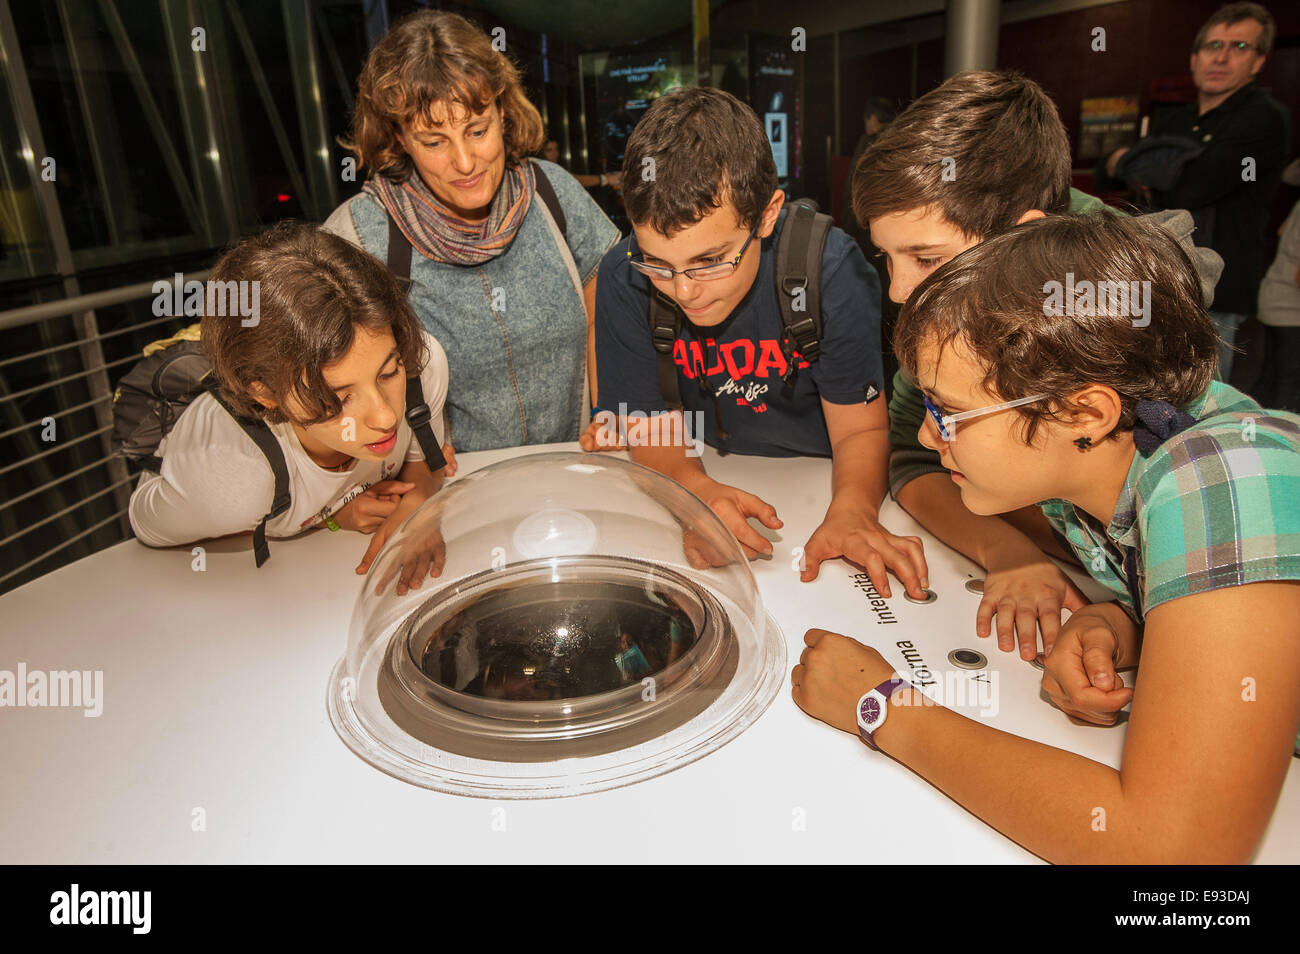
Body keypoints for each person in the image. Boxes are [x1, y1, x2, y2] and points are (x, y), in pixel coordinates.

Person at [793, 213, 1300, 863]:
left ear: (1084, 414)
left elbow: (1173, 854)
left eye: (948, 413)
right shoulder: (1127, 450)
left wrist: (883, 706)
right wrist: (1125, 624)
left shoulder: (1223, 477)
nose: (925, 436)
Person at [587, 86, 928, 599]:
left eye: (710, 261)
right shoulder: (623, 274)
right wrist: (696, 492)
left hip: (824, 480)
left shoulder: (829, 270)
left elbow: (861, 431)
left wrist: (854, 513)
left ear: (767, 214)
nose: (683, 291)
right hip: (694, 463)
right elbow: (648, 426)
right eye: (659, 263)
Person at [856, 71, 1117, 659]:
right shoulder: (957, 312)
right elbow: (912, 454)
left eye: (927, 258)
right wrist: (1008, 550)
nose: (899, 293)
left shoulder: (1135, 333)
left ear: (1026, 239)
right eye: (887, 258)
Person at [325, 10, 619, 456]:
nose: (465, 162)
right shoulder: (359, 236)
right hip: (446, 489)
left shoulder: (552, 193)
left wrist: (611, 414)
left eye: (477, 130)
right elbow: (328, 383)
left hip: (572, 471)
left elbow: (609, 317)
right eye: (434, 141)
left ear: (503, 112)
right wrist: (384, 471)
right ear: (399, 137)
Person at [128, 223, 449, 588]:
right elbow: (143, 522)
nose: (386, 416)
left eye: (388, 372)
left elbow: (419, 461)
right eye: (339, 398)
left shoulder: (422, 366)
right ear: (265, 394)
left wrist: (420, 502)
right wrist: (325, 515)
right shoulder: (232, 479)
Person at [1096, 2, 1290, 382]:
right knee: (1148, 390)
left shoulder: (1264, 117)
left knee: (1201, 398)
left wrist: (1146, 165)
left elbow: (1193, 187)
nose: (1221, 57)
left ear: (1259, 61)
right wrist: (1154, 166)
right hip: (1156, 281)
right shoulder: (1175, 118)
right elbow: (1107, 174)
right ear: (1194, 57)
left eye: (1238, 47)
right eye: (1212, 46)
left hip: (1215, 290)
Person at [1255, 190, 1300, 412]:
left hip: (1273, 297)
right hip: (1290, 309)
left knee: (1270, 381)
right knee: (1287, 388)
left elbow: (1280, 231)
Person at [840, 96, 897, 243]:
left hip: (867, 225)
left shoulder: (868, 142)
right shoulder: (901, 140)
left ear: (872, 118)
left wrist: (848, 228)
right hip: (894, 224)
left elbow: (854, 185)